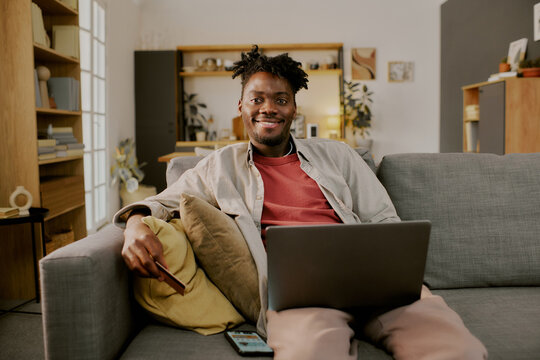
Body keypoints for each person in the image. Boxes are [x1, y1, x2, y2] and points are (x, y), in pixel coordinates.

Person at [114, 46, 487, 359]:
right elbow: (162, 202)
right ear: (241, 105)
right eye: (257, 99)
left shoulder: (338, 156)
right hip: (298, 299)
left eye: (281, 99)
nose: (268, 108)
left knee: (459, 350)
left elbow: (383, 219)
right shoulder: (218, 166)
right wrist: (134, 225)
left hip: (374, 284)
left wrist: (390, 270)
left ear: (294, 108)